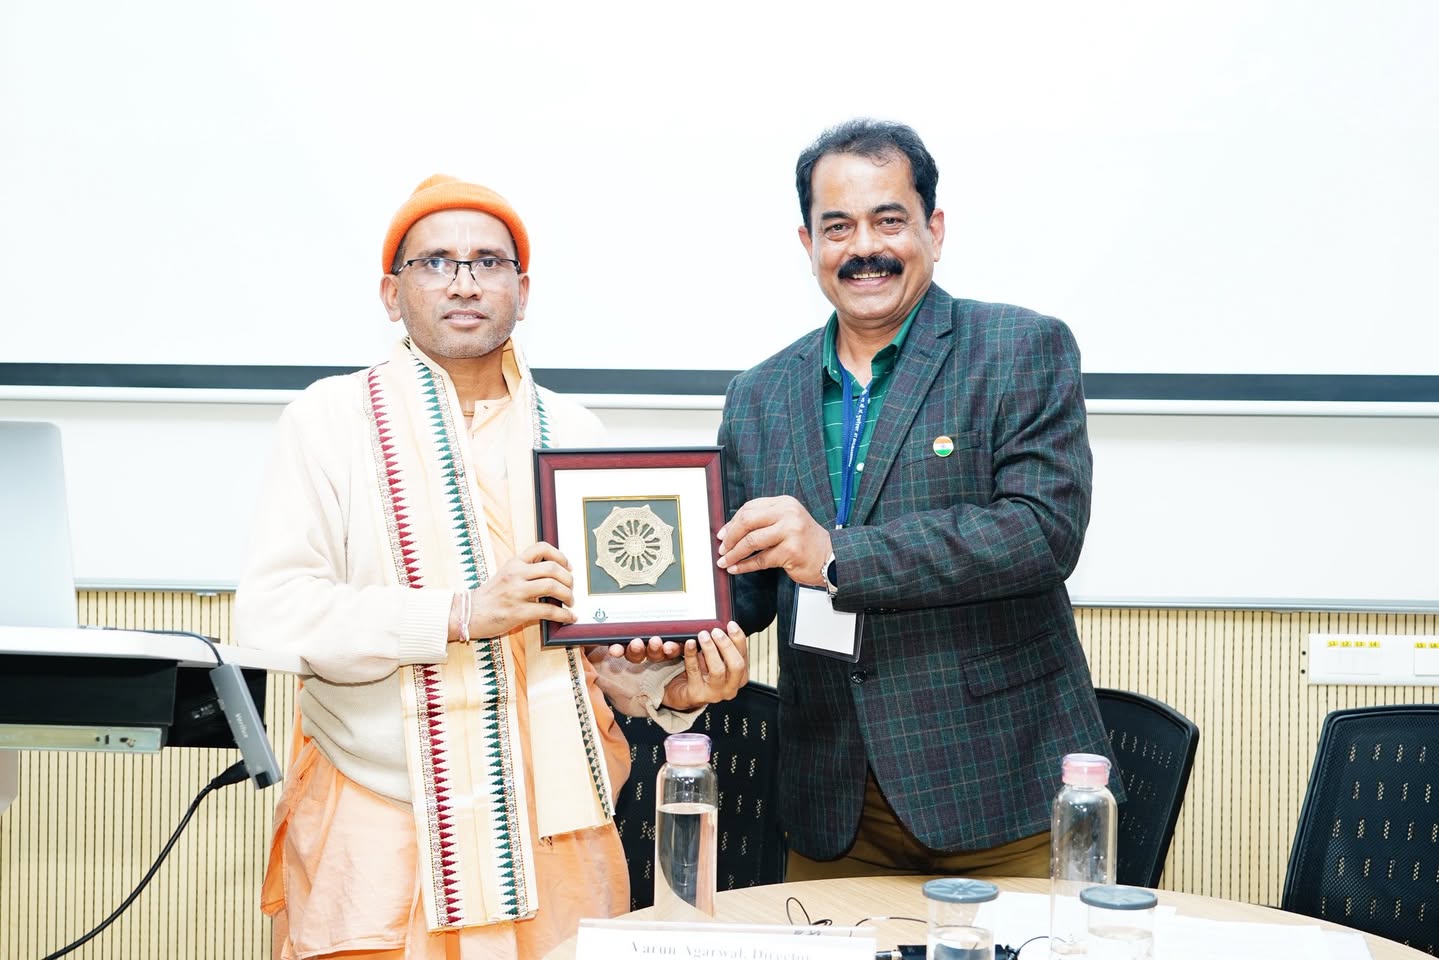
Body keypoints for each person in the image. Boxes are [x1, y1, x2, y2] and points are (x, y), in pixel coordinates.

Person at [235, 174, 749, 960]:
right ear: (391, 293)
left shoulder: (575, 434)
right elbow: (274, 614)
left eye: (488, 262)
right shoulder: (328, 420)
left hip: (555, 828)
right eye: (435, 262)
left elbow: (592, 649)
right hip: (382, 820)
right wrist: (460, 614)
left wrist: (672, 690)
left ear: (523, 290)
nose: (464, 282)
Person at [715, 119, 1116, 881]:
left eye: (888, 220)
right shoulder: (758, 394)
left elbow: (1041, 532)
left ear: (933, 229)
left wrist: (835, 556)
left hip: (996, 789)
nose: (863, 247)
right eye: (837, 227)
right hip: (832, 800)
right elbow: (742, 587)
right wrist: (653, 635)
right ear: (807, 243)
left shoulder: (1017, 349)